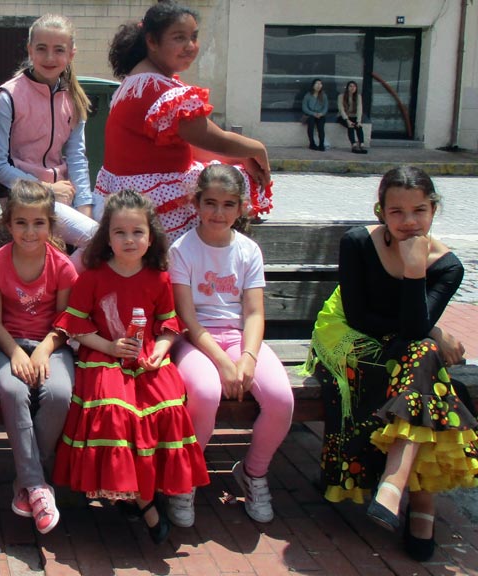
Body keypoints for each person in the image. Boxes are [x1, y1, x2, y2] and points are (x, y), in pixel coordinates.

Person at [305, 166, 476, 562]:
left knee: (422, 361)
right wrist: (433, 330)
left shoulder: (448, 267)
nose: (409, 221)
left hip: (405, 354)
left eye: (419, 210)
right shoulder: (357, 243)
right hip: (347, 340)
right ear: (381, 211)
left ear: (433, 210)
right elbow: (361, 317)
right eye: (396, 211)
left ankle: (396, 483)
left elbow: (413, 330)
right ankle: (419, 502)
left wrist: (416, 270)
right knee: (429, 364)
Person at [52, 190, 209, 544]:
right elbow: (75, 325)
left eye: (137, 232)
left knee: (167, 406)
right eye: (120, 232)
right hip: (102, 354)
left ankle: (144, 492)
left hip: (147, 355)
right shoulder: (93, 276)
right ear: (107, 236)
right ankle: (144, 503)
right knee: (114, 411)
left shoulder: (158, 277)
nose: (129, 239)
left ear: (151, 237)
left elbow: (168, 326)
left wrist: (161, 351)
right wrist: (109, 346)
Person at [168, 164, 294, 527]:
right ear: (196, 203)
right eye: (210, 203)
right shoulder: (182, 250)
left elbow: (254, 313)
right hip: (195, 341)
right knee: (205, 393)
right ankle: (187, 478)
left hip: (238, 339)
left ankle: (253, 472)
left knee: (281, 400)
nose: (218, 213)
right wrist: (223, 363)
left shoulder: (248, 250)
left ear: (241, 208)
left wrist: (248, 357)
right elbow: (187, 319)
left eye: (228, 204)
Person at [96, 1, 272, 242]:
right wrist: (257, 149)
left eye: (194, 37)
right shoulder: (159, 90)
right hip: (151, 202)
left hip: (130, 194)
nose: (190, 46)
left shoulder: (138, 81)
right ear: (152, 41)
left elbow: (190, 146)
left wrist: (242, 156)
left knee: (225, 178)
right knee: (233, 184)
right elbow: (214, 139)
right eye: (179, 38)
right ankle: (222, 251)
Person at [0, 181, 77, 535]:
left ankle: (26, 481)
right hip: (4, 345)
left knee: (58, 393)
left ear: (50, 225)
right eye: (21, 223)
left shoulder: (62, 266)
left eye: (39, 223)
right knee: (13, 390)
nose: (29, 231)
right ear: (8, 224)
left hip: (50, 345)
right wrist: (14, 353)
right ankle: (37, 485)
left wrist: (43, 350)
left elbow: (64, 323)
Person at [0, 14, 99, 252]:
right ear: (30, 50)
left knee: (120, 223)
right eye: (41, 48)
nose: (49, 57)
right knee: (99, 238)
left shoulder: (73, 97)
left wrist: (84, 206)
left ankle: (66, 271)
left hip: (64, 193)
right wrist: (46, 189)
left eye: (59, 50)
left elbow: (77, 158)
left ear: (71, 54)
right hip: (23, 197)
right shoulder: (8, 97)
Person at [338, 81, 367, 154]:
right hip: (343, 116)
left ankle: (362, 144)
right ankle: (353, 145)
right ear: (347, 88)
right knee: (350, 126)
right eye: (350, 86)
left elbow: (359, 109)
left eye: (354, 86)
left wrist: (358, 121)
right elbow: (341, 109)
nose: (352, 88)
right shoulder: (341, 96)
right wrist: (347, 120)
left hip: (353, 116)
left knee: (359, 126)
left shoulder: (358, 96)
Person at [302, 78, 329, 151]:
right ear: (313, 85)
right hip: (310, 114)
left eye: (320, 84)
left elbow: (326, 107)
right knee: (310, 125)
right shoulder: (308, 95)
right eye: (317, 84)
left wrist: (321, 114)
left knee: (321, 127)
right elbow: (304, 108)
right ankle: (312, 143)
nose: (319, 86)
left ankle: (321, 144)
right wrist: (313, 114)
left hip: (320, 115)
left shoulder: (324, 95)